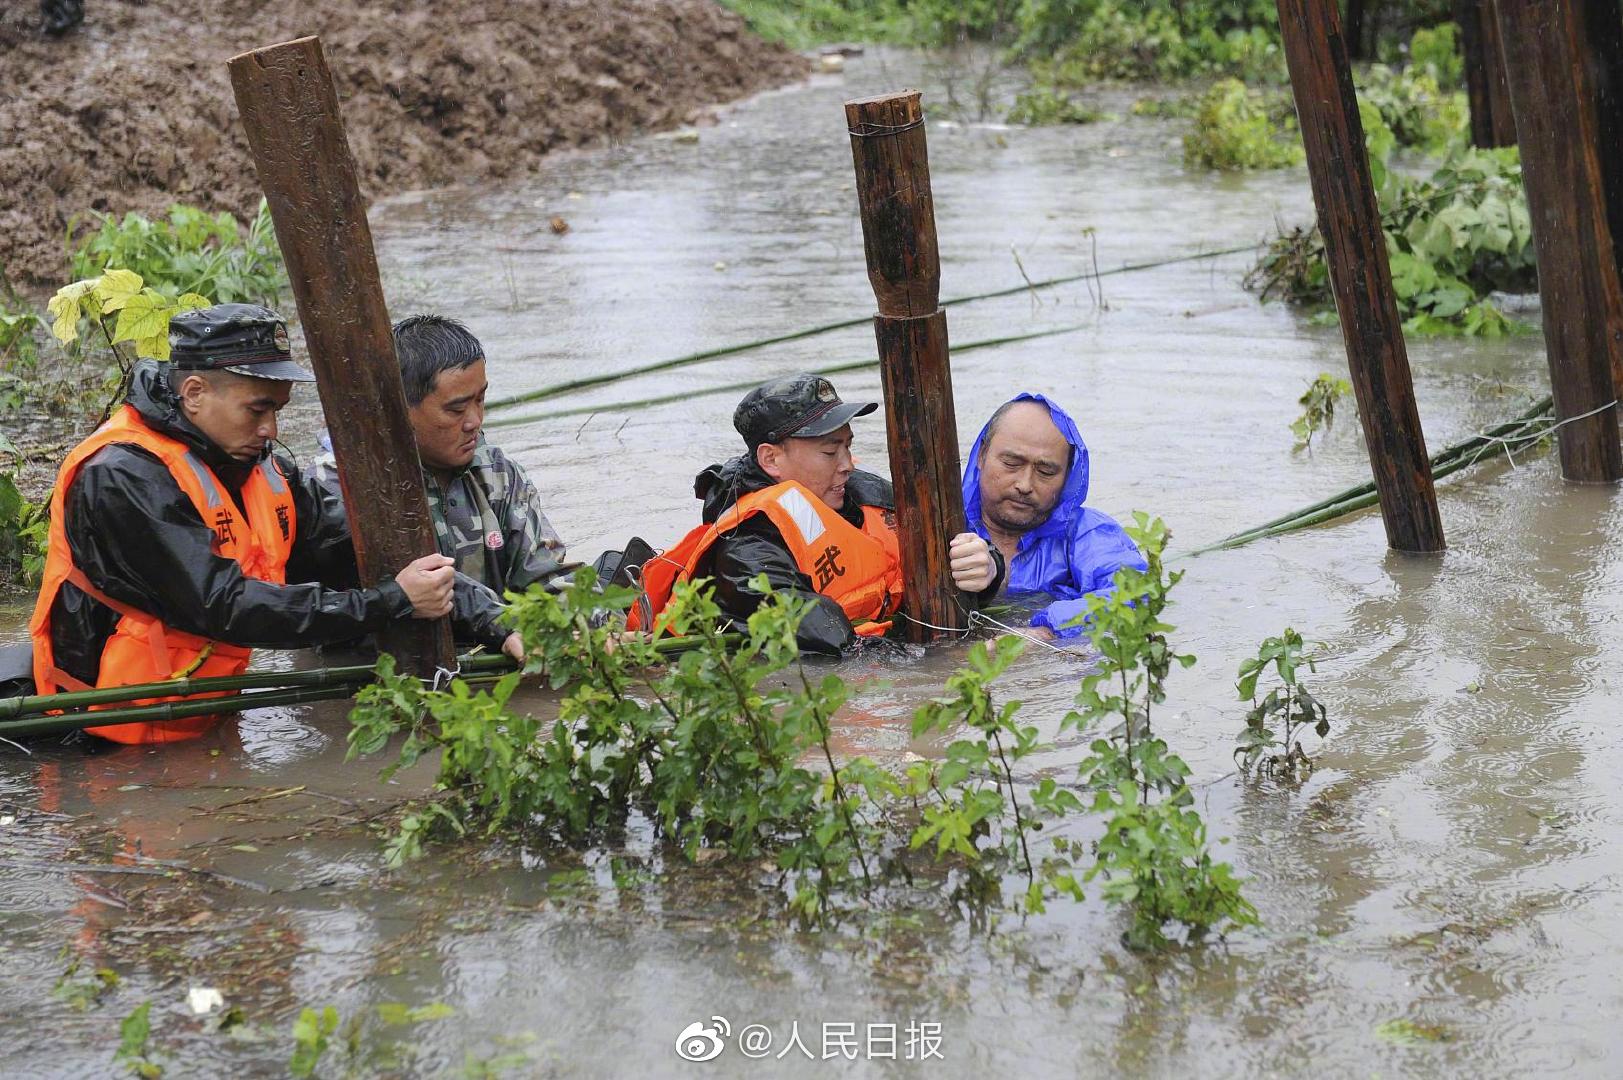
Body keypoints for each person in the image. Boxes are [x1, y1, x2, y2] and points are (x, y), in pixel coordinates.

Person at [28, 304, 519, 745]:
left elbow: (350, 551)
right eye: (257, 410)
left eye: (277, 410)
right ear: (194, 393)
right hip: (96, 738)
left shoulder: (266, 469)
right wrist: (389, 601)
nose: (271, 431)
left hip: (200, 717)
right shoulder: (121, 476)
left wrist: (494, 619)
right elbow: (225, 604)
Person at [630, 373, 1003, 655]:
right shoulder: (746, 548)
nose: (847, 465)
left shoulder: (861, 492)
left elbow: (947, 554)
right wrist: (935, 661)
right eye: (830, 452)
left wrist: (986, 568)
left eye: (848, 446)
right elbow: (829, 643)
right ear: (771, 459)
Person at [312, 314, 569, 599]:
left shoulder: (498, 474)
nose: (474, 421)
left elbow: (549, 579)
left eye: (480, 400)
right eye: (456, 410)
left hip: (496, 636)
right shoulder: (338, 487)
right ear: (399, 408)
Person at [963, 393, 1146, 640]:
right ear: (982, 455)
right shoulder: (935, 523)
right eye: (1011, 463)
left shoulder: (1088, 533)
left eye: (1045, 471)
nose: (1025, 484)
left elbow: (1135, 596)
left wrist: (1046, 632)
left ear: (1067, 476)